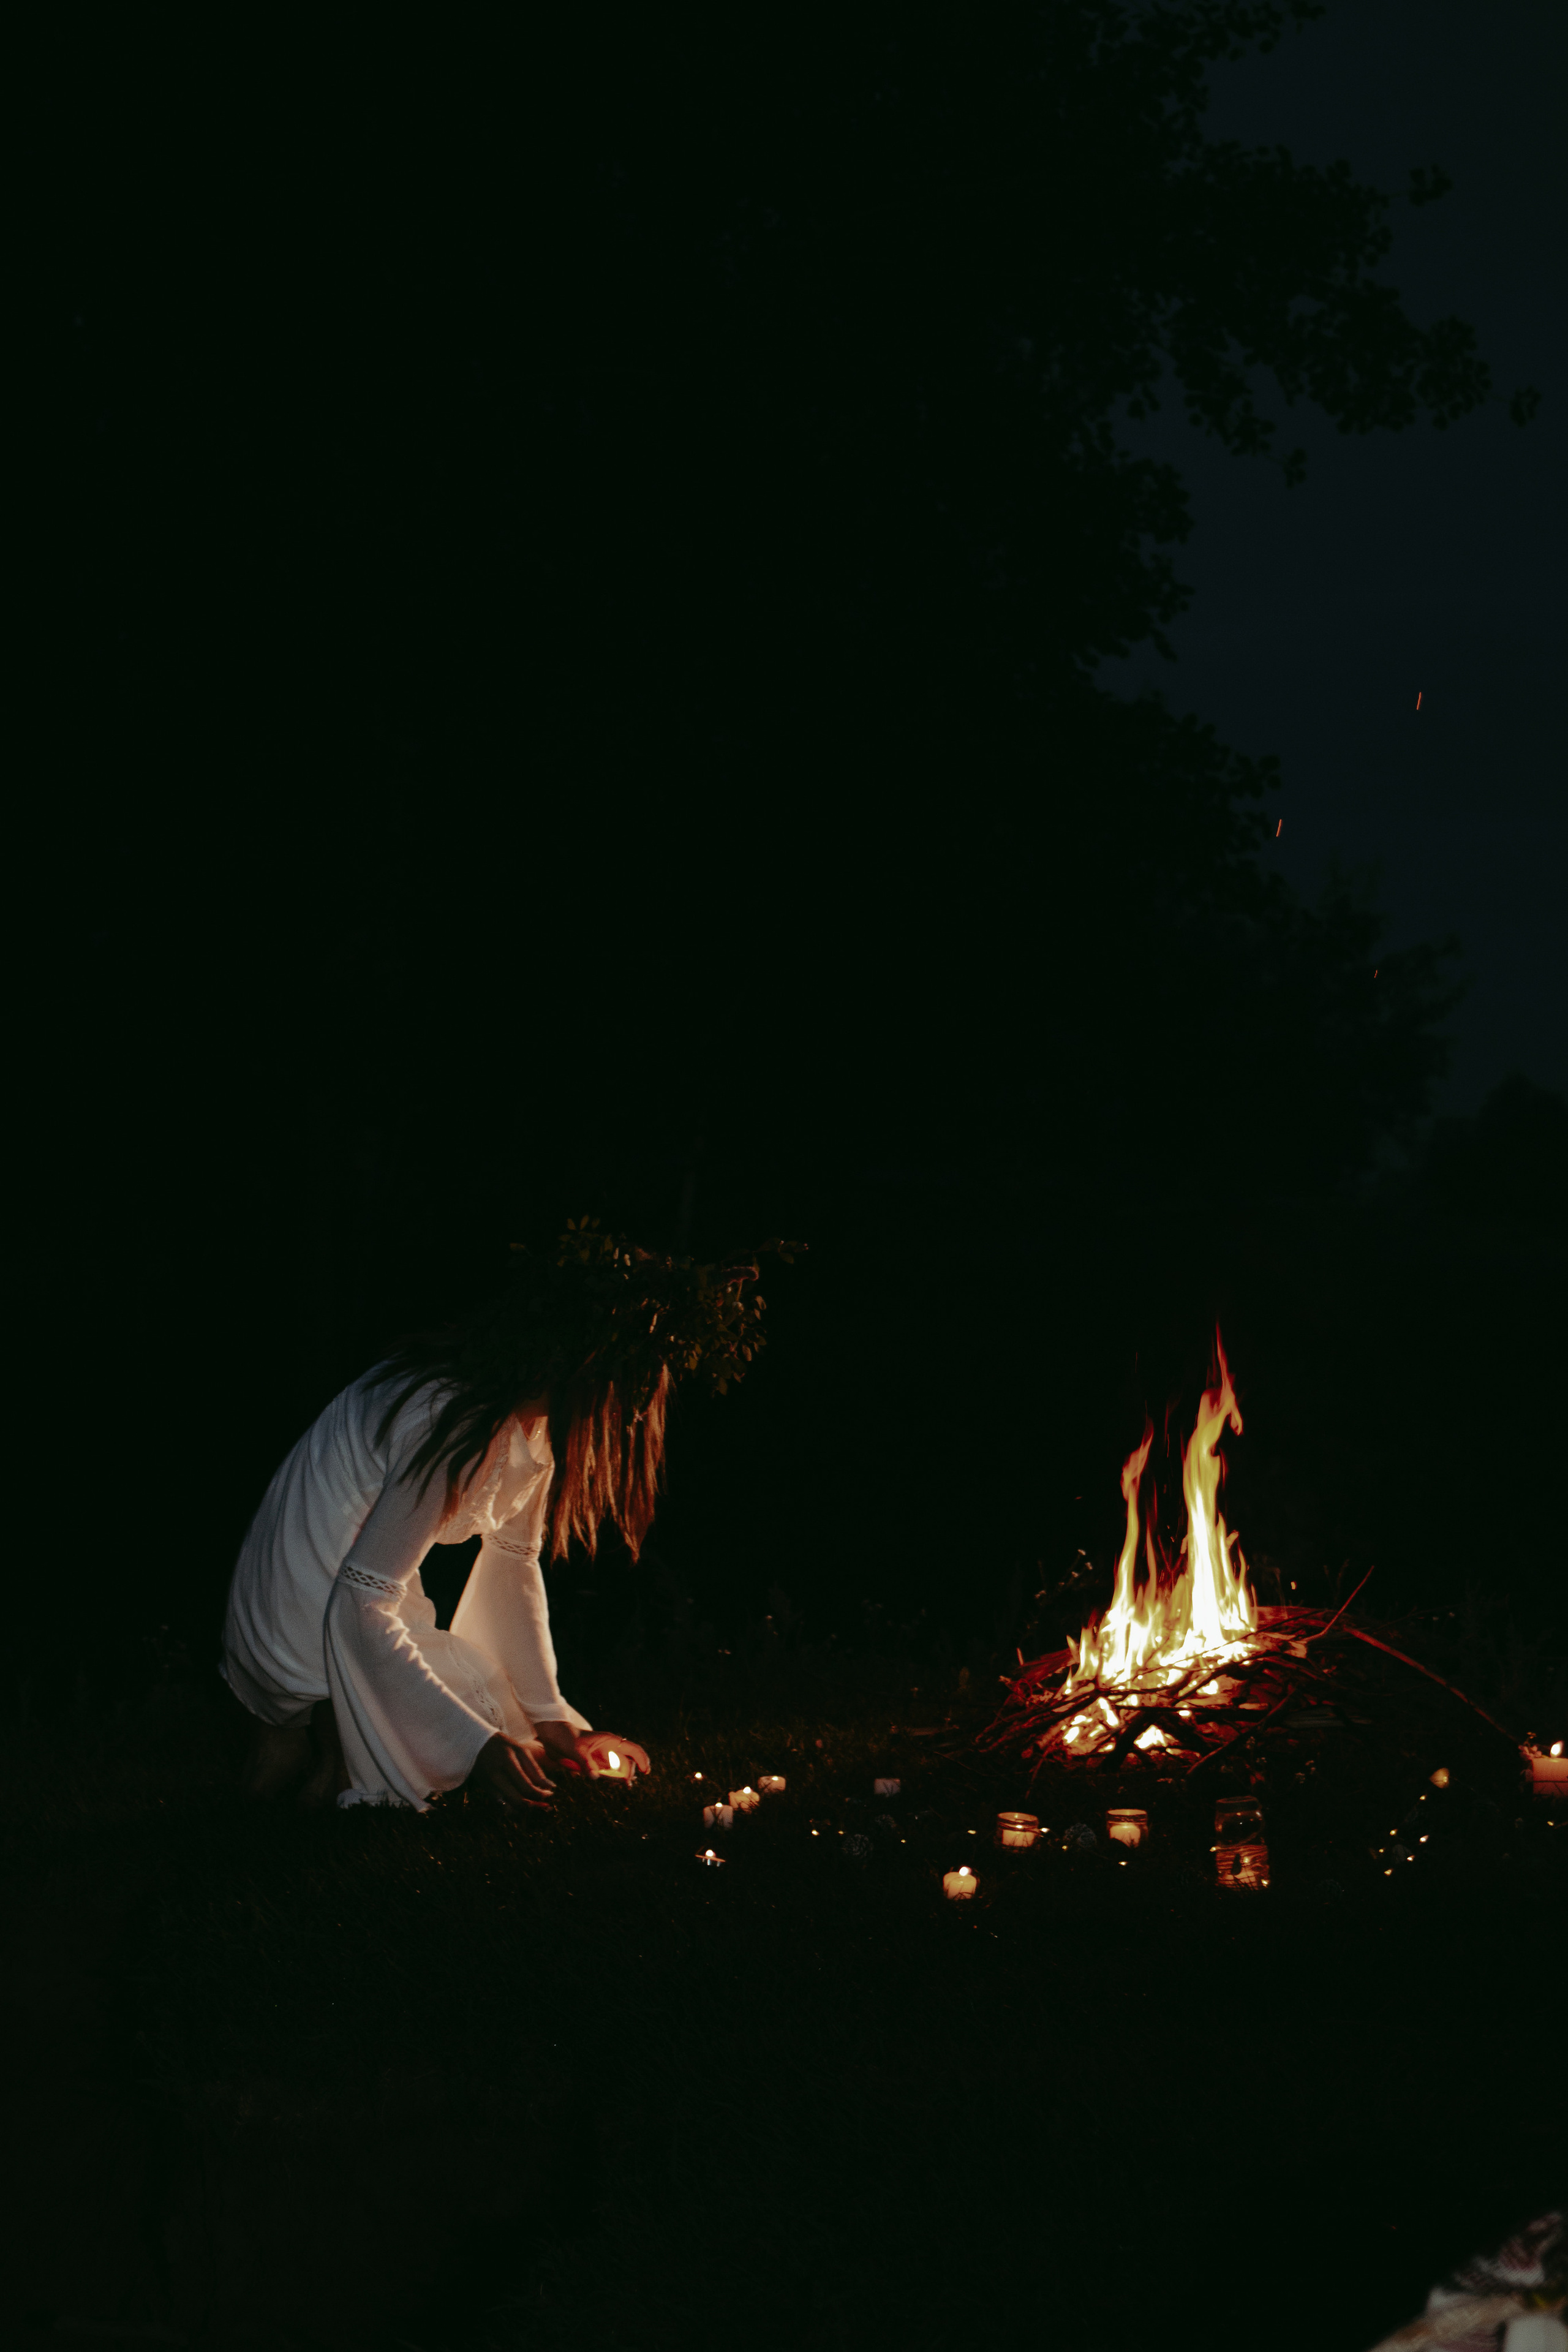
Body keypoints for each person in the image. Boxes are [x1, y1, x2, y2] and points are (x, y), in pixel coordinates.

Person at [220, 1223, 794, 1814]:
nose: (639, 1403)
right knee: (460, 1737)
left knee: (501, 1720)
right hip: (304, 1604)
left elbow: (512, 1564)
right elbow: (361, 1599)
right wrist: (477, 1745)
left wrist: (552, 1721)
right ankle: (311, 1740)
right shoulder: (455, 1420)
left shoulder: (534, 1418)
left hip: (339, 1587)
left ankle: (301, 1741)